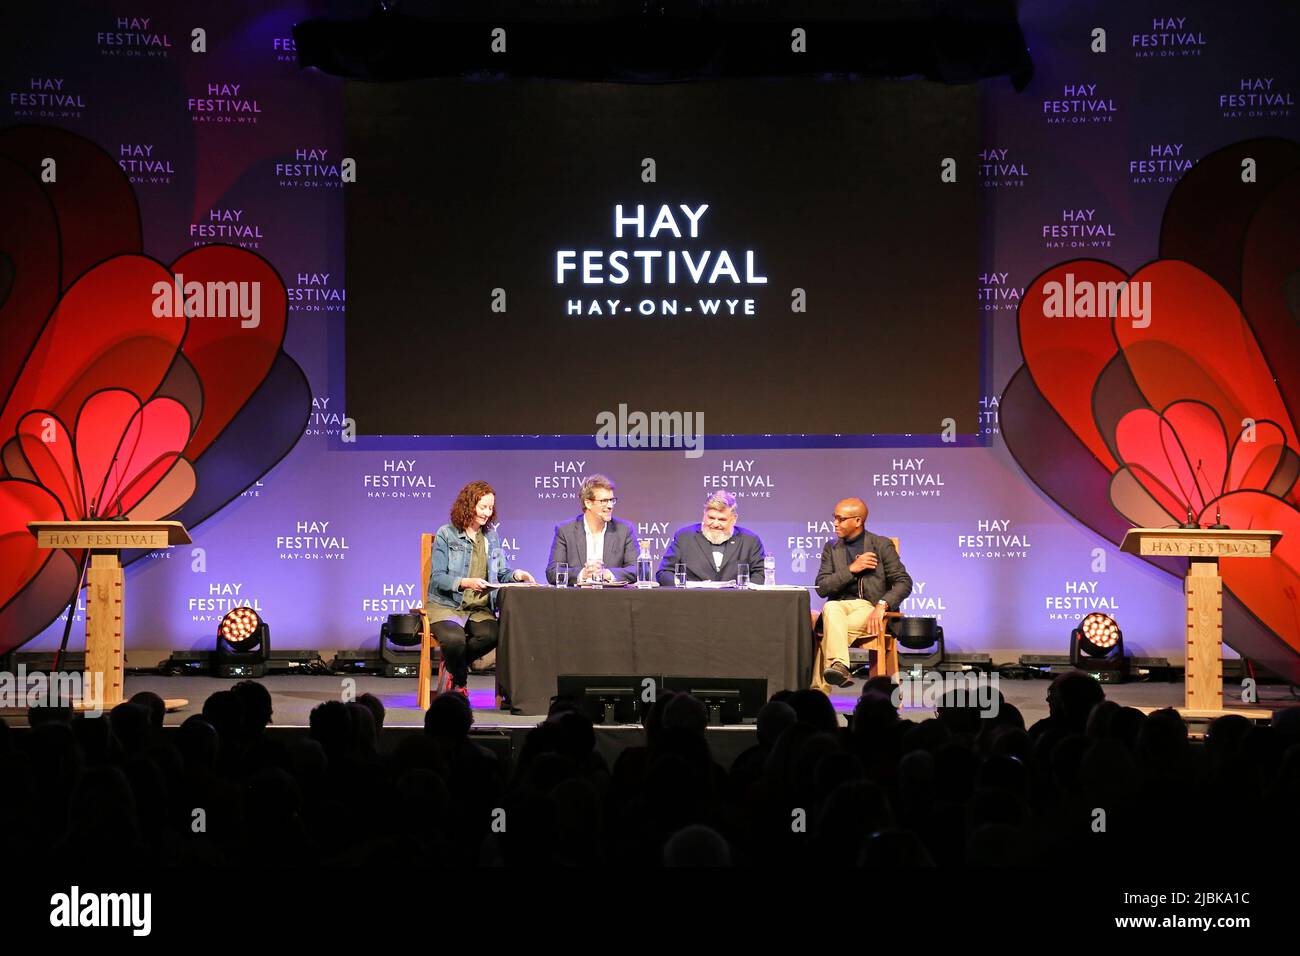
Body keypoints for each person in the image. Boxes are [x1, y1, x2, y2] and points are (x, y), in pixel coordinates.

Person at [426, 480, 535, 694]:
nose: (487, 512)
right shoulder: (446, 534)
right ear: (469, 505)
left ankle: (452, 664)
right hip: (447, 605)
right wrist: (465, 583)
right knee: (454, 640)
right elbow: (437, 578)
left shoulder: (491, 537)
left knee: (493, 635)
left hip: (478, 608)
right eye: (482, 506)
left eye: (490, 507)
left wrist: (517, 574)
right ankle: (460, 683)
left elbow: (502, 573)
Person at [814, 497, 912, 689]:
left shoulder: (881, 545)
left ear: (858, 521)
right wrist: (852, 569)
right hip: (840, 608)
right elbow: (822, 587)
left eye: (841, 519)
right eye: (834, 517)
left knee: (831, 632)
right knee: (831, 606)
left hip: (869, 608)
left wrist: (882, 605)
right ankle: (839, 665)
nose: (835, 523)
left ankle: (818, 695)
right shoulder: (832, 548)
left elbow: (903, 582)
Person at [545, 474, 639, 584]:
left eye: (612, 500)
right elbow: (553, 572)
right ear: (588, 503)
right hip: (576, 598)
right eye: (604, 501)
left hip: (613, 599)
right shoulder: (565, 531)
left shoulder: (624, 530)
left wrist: (607, 574)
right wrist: (582, 574)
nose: (610, 506)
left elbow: (637, 569)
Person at [656, 491, 766, 585]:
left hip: (736, 603)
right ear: (704, 515)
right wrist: (684, 585)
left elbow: (760, 574)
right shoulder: (684, 537)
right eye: (711, 518)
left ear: (734, 519)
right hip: (691, 603)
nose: (715, 524)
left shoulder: (750, 540)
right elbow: (664, 573)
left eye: (722, 519)